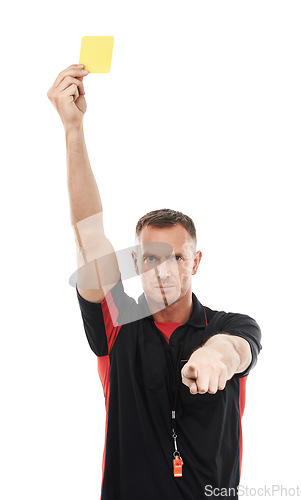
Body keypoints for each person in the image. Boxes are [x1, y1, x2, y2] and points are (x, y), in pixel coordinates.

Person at [47, 63, 262, 500]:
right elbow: (89, 233)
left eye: (176, 257)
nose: (162, 269)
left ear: (195, 261)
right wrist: (73, 128)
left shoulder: (232, 326)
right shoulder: (117, 324)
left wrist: (215, 358)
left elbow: (235, 350)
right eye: (150, 257)